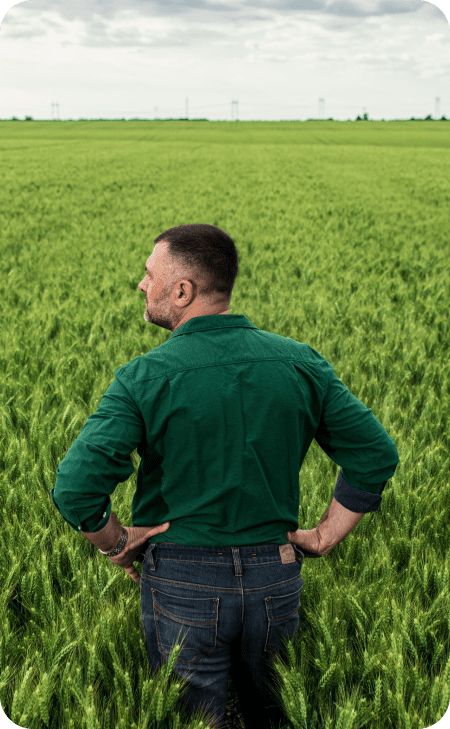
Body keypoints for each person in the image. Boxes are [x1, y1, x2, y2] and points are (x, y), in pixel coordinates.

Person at [51, 224, 400, 729]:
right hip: (276, 576)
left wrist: (116, 543)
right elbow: (375, 453)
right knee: (276, 715)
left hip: (181, 581)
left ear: (183, 290)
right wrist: (325, 535)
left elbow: (76, 488)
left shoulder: (145, 376)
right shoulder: (299, 362)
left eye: (149, 276)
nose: (141, 286)